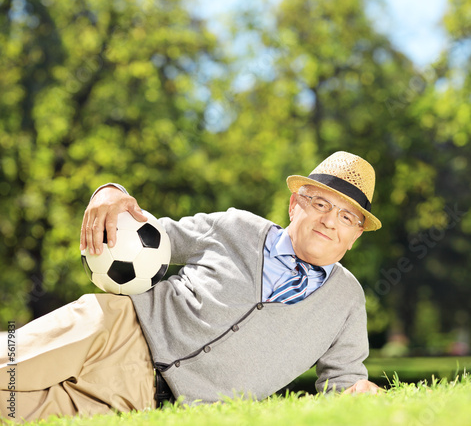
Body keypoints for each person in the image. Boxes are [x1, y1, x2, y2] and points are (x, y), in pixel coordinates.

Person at [0, 151, 382, 422]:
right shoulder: (235, 227)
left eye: (347, 216)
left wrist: (360, 393)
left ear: (355, 236)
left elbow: (343, 382)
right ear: (294, 204)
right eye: (319, 204)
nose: (331, 221)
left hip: (137, 400)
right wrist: (109, 191)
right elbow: (143, 234)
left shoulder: (347, 301)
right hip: (112, 329)